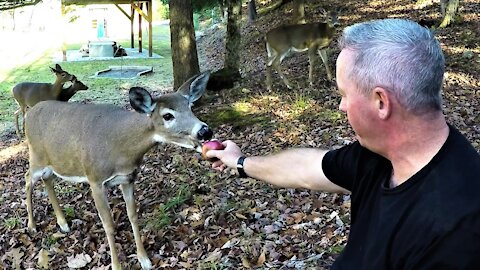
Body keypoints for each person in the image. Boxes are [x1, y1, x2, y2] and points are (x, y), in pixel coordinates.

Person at [205, 18, 480, 269]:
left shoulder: (458, 229)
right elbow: (308, 167)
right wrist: (240, 163)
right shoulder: (378, 155)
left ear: (381, 102)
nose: (341, 106)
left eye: (344, 94)